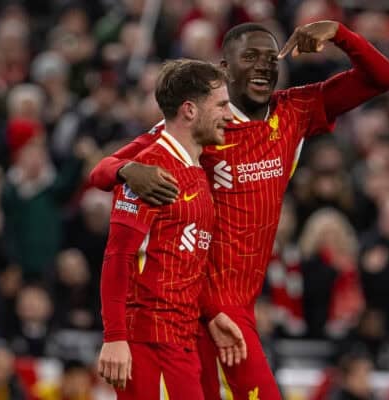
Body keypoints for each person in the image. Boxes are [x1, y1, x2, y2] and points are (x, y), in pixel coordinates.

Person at [91, 20, 389, 399]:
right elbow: (101, 172)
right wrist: (126, 168)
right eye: (249, 56)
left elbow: (382, 78)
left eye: (271, 59)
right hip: (199, 309)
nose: (263, 66)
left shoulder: (295, 112)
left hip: (240, 306)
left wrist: (338, 34)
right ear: (224, 67)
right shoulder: (201, 124)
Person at [97, 59, 246, 399]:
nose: (229, 115)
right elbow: (119, 254)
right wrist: (116, 337)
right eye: (222, 105)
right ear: (190, 110)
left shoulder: (194, 169)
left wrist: (210, 314)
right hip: (151, 343)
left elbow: (185, 260)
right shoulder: (150, 168)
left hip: (182, 340)